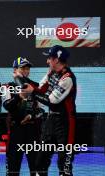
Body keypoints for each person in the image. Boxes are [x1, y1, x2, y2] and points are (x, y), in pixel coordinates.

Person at [22, 45, 77, 176]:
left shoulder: (67, 78)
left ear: (56, 60)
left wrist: (32, 92)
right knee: (40, 161)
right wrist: (22, 79)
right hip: (51, 121)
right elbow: (40, 88)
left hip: (66, 123)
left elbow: (51, 101)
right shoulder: (51, 72)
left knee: (64, 165)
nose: (47, 61)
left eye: (49, 58)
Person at [3, 57, 44, 176]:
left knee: (36, 168)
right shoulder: (7, 86)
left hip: (33, 131)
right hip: (16, 130)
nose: (26, 71)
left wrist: (31, 116)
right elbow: (7, 106)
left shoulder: (35, 86)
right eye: (23, 68)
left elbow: (41, 110)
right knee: (12, 169)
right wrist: (18, 96)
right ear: (15, 70)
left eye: (28, 68)